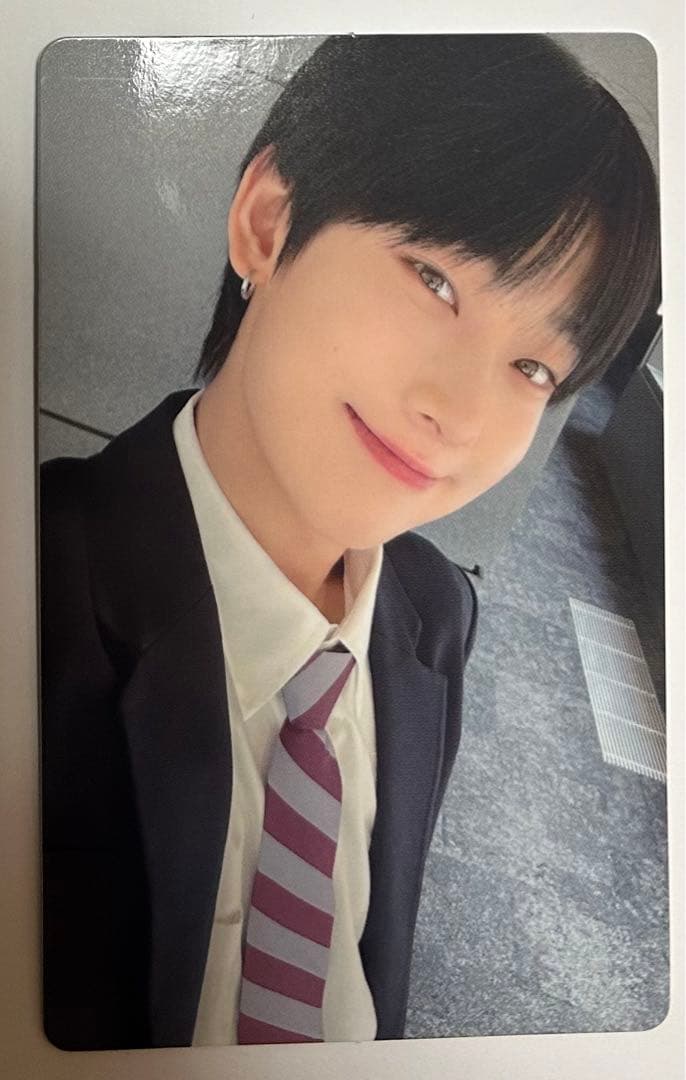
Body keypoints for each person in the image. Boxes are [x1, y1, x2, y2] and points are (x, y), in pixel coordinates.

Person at [39, 34, 660, 1051]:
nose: (458, 413)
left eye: (533, 369)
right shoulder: (35, 594)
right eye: (436, 282)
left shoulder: (435, 616)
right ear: (267, 223)